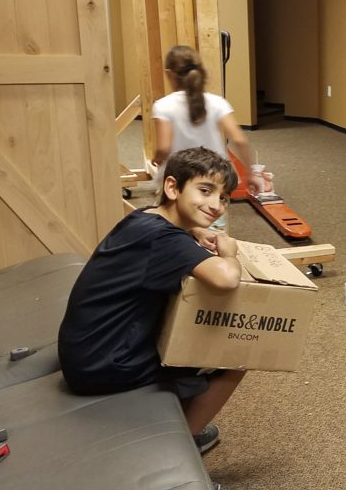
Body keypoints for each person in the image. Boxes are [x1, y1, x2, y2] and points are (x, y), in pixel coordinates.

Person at [58, 147, 245, 454]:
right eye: (205, 190)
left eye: (223, 197)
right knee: (238, 357)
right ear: (172, 187)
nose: (216, 205)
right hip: (104, 365)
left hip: (86, 352)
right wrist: (230, 253)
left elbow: (170, 234)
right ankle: (182, 446)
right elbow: (226, 278)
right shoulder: (164, 240)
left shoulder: (144, 217)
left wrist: (195, 230)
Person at [150, 45, 263, 230]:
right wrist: (250, 173)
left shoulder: (163, 106)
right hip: (214, 178)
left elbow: (163, 147)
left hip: (181, 181)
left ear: (169, 74)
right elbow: (240, 139)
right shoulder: (218, 102)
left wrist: (157, 158)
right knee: (213, 230)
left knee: (174, 230)